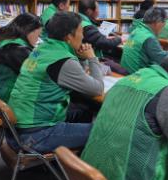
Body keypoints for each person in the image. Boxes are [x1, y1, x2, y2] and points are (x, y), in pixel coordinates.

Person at [7, 12, 104, 153]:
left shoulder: (41, 49)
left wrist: (81, 58)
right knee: (104, 131)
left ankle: (71, 158)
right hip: (36, 134)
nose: (83, 36)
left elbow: (75, 77)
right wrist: (92, 58)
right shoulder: (63, 60)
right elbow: (97, 89)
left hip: (18, 128)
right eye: (81, 31)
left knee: (83, 110)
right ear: (69, 36)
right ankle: (75, 164)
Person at [121, 7, 168, 74]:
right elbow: (163, 60)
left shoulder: (137, 31)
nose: (164, 27)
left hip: (126, 72)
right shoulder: (149, 38)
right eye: (164, 23)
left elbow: (158, 53)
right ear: (158, 22)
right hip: (137, 75)